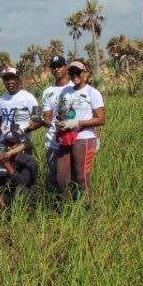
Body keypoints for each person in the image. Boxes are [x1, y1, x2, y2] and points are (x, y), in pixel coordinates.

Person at [55, 61, 105, 203]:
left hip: (84, 137)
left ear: (85, 73)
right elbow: (62, 112)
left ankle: (88, 211)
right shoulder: (66, 91)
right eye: (72, 73)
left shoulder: (92, 92)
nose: (75, 76)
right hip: (66, 137)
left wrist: (77, 123)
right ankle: (66, 210)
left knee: (82, 177)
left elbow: (101, 119)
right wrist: (61, 122)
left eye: (78, 72)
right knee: (62, 178)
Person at [40, 55, 73, 192]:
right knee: (55, 178)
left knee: (74, 177)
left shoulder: (75, 87)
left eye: (59, 66)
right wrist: (41, 121)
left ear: (66, 67)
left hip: (73, 140)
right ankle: (57, 208)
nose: (56, 69)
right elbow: (48, 118)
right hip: (53, 142)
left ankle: (77, 207)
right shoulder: (48, 92)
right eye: (53, 67)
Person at [0, 130, 38, 208]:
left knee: (23, 192)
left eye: (12, 144)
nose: (8, 147)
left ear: (21, 145)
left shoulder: (29, 162)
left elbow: (22, 183)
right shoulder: (0, 160)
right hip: (6, 195)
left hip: (23, 198)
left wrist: (7, 164)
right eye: (6, 144)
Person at [0, 67, 40, 145]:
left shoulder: (29, 97)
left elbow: (37, 121)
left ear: (18, 80)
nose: (9, 82)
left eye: (12, 78)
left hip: (22, 144)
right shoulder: (1, 99)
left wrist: (23, 130)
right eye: (6, 79)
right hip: (5, 144)